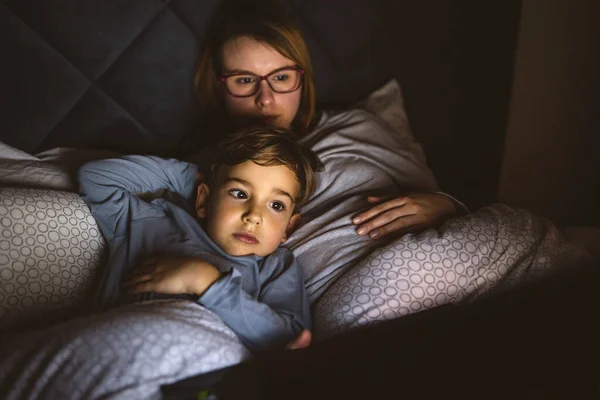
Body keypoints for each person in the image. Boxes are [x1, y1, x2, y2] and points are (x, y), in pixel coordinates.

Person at [190, 2, 466, 306]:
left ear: (302, 80)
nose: (265, 99)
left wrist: (444, 205)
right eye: (244, 80)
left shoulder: (357, 127)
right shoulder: (205, 170)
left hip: (439, 252)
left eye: (281, 78)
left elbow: (442, 199)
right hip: (351, 294)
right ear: (218, 88)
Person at [78, 126, 320, 353]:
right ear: (203, 200)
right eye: (239, 193)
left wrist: (206, 282)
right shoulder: (152, 221)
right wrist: (192, 181)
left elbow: (291, 339)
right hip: (114, 346)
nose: (254, 216)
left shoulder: (275, 266)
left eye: (276, 205)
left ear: (289, 227)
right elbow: (95, 178)